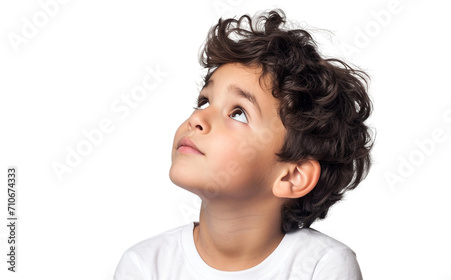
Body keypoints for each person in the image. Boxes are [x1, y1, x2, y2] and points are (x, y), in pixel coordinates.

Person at [114, 9, 373, 280]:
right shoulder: (145, 265)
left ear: (292, 176)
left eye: (238, 113)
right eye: (205, 101)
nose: (197, 117)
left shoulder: (322, 265)